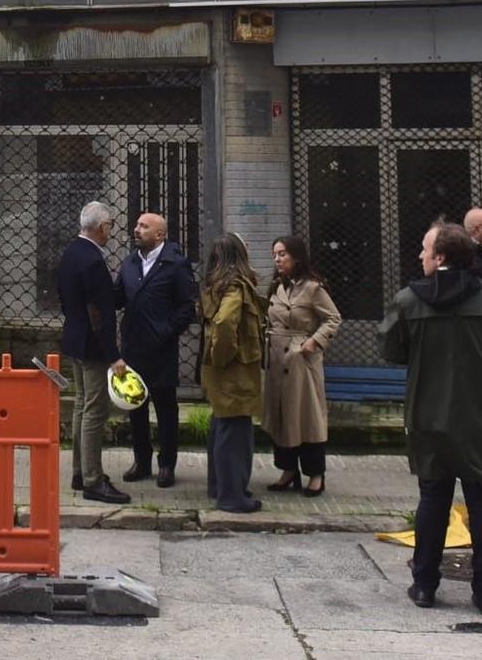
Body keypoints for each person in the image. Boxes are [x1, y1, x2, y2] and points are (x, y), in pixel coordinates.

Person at [378, 221, 482, 617]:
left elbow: (391, 349)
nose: (420, 256)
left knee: (433, 499)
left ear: (439, 256)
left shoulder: (408, 301)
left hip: (430, 413)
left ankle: (424, 584)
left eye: (424, 249)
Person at [55, 200, 129, 505]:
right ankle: (93, 480)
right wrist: (114, 355)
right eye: (110, 225)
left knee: (82, 406)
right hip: (93, 345)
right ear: (102, 227)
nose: (110, 230)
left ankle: (79, 471)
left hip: (74, 339)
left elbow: (65, 299)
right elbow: (99, 312)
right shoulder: (94, 261)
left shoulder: (71, 253)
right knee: (95, 412)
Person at [116, 211, 195, 488]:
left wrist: (166, 331)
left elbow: (187, 308)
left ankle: (167, 464)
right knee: (135, 406)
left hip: (161, 350)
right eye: (137, 225)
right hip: (133, 350)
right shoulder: (129, 263)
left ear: (159, 235)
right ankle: (141, 460)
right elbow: (117, 298)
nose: (136, 230)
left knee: (165, 408)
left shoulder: (175, 264)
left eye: (144, 226)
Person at [263, 235, 341, 495]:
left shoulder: (313, 288)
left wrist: (313, 343)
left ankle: (315, 474)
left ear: (296, 256)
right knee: (282, 418)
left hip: (300, 361)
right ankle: (287, 470)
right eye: (275, 254)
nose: (278, 259)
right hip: (276, 360)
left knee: (306, 418)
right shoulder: (277, 286)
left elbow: (333, 318)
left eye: (283, 254)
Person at [200, 233, 266, 514]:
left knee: (223, 427)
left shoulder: (216, 286)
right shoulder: (236, 288)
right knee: (235, 434)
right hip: (234, 372)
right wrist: (224, 357)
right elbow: (226, 323)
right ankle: (232, 496)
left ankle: (222, 486)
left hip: (222, 372)